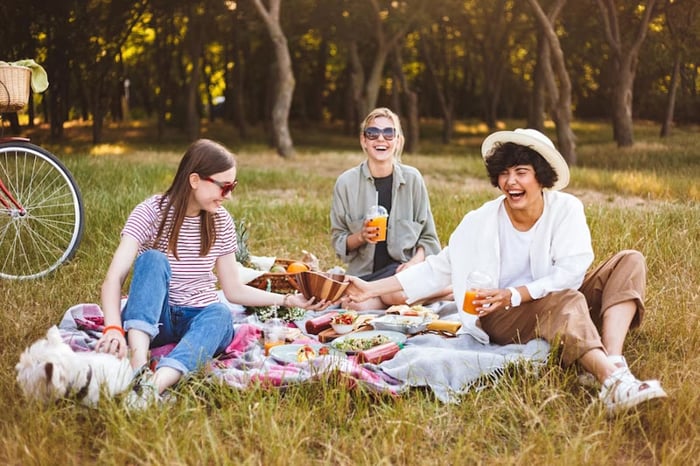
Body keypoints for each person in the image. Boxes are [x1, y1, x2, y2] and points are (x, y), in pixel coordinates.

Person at [345, 128, 667, 415]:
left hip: (549, 300)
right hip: (499, 315)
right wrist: (371, 289)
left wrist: (516, 294)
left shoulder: (566, 210)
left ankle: (612, 364)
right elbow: (437, 269)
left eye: (521, 172)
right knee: (566, 300)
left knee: (630, 260)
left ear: (541, 176)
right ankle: (612, 379)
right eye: (504, 173)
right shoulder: (479, 221)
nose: (510, 181)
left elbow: (572, 272)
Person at [95, 138, 327, 408]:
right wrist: (112, 327)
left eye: (233, 186)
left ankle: (153, 386)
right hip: (155, 319)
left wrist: (287, 300)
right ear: (195, 180)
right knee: (152, 260)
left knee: (220, 313)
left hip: (199, 318)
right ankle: (138, 368)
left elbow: (233, 290)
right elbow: (114, 278)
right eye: (224, 186)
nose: (229, 195)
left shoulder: (221, 221)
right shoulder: (150, 212)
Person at [330, 107, 449, 309]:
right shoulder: (346, 183)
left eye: (388, 133)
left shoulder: (413, 179)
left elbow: (429, 239)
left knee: (396, 294)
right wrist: (361, 236)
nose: (380, 139)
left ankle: (449, 291)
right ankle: (433, 294)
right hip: (365, 276)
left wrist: (412, 266)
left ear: (398, 141)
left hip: (402, 273)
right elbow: (338, 241)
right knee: (353, 306)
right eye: (373, 133)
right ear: (363, 141)